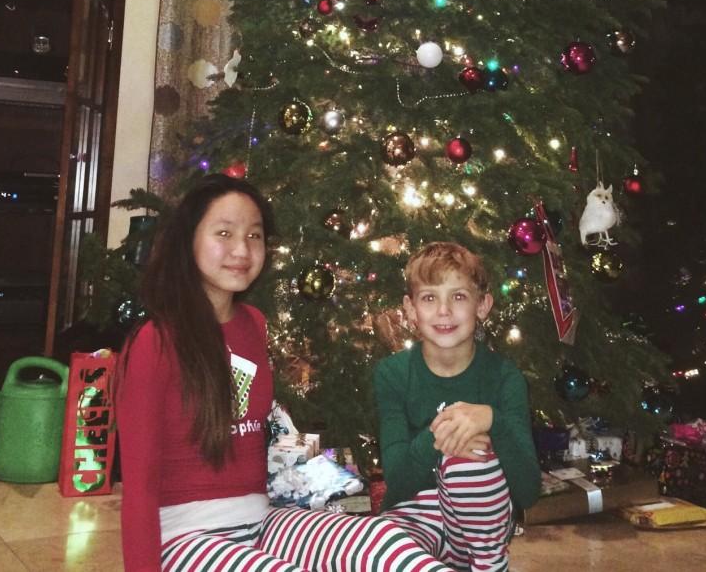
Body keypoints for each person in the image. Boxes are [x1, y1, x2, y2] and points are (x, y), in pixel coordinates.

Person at [116, 174, 455, 572]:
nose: (241, 249)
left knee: (385, 543)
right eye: (224, 233)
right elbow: (138, 486)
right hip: (184, 537)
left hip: (263, 520)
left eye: (255, 235)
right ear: (187, 240)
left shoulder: (253, 324)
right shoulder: (154, 341)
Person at [374, 242, 541, 571]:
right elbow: (397, 479)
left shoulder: (505, 378)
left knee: (471, 457)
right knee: (376, 549)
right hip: (413, 525)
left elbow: (528, 493)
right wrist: (443, 433)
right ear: (410, 308)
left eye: (459, 296)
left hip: (477, 536)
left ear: (482, 305)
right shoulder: (392, 374)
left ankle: (489, 567)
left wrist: (492, 421)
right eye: (430, 297)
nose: (444, 311)